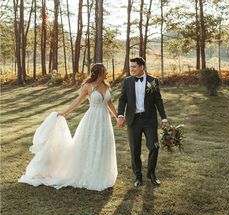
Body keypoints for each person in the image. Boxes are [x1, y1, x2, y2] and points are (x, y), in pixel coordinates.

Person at [18, 63, 118, 191]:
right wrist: (65, 113)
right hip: (92, 119)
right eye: (105, 71)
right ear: (99, 72)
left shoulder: (106, 85)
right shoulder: (88, 86)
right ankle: (87, 174)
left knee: (103, 145)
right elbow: (77, 101)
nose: (107, 73)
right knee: (89, 145)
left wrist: (117, 117)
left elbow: (109, 103)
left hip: (104, 120)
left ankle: (101, 174)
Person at [117, 57, 167, 187]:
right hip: (133, 120)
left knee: (154, 146)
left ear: (141, 67)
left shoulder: (153, 81)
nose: (131, 69)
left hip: (149, 119)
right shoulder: (127, 81)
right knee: (135, 149)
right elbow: (122, 100)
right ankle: (138, 176)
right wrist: (120, 115)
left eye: (134, 66)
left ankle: (151, 174)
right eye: (131, 66)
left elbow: (158, 100)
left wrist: (164, 117)